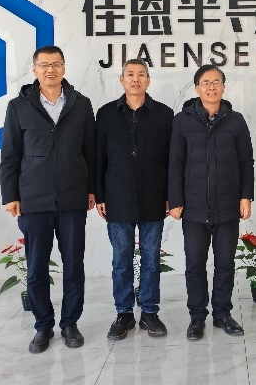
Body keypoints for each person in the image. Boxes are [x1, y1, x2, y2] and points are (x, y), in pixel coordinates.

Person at [0, 46, 95, 354]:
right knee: (37, 267)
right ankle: (43, 325)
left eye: (55, 64)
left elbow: (91, 152)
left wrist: (92, 189)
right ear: (35, 69)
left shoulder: (81, 104)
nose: (50, 70)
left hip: (73, 198)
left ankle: (70, 323)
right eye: (44, 65)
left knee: (74, 265)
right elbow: (10, 154)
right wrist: (10, 195)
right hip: (33, 198)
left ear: (64, 68)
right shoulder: (18, 106)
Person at [168, 64, 254, 340]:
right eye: (206, 82)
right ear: (197, 88)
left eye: (216, 82)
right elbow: (175, 163)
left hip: (228, 205)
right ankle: (197, 317)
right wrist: (175, 200)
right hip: (193, 206)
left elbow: (246, 162)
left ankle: (222, 314)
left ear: (224, 87)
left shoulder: (236, 121)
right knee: (195, 264)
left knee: (225, 262)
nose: (211, 87)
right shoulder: (182, 121)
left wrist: (246, 196)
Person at [95, 59, 174, 340]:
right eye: (130, 74)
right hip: (117, 198)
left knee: (151, 258)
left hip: (154, 197)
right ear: (122, 80)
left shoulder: (164, 114)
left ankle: (150, 312)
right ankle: (124, 313)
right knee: (121, 259)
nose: (135, 79)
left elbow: (172, 160)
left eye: (141, 74)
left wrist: (171, 195)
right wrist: (100, 195)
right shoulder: (106, 114)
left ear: (148, 80)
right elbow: (98, 158)